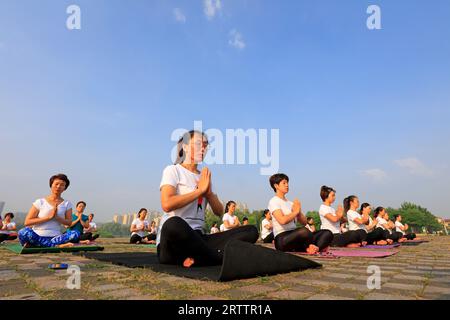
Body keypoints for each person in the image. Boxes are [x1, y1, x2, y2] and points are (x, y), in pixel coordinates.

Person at [158, 130, 258, 267]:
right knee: (173, 223)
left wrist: (209, 193)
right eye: (198, 144)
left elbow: (219, 211)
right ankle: (215, 256)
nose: (203, 148)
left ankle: (201, 257)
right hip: (175, 239)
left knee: (251, 231)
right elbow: (167, 204)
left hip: (199, 238)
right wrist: (199, 191)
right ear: (185, 147)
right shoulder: (173, 170)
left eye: (205, 145)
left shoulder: (204, 177)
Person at [268, 174, 333, 254]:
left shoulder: (291, 203)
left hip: (296, 236)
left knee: (327, 233)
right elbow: (282, 220)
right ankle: (308, 247)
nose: (287, 185)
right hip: (283, 239)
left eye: (287, 183)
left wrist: (298, 212)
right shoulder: (274, 201)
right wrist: (295, 211)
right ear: (276, 186)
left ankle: (315, 248)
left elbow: (304, 222)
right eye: (284, 183)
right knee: (304, 232)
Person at [18, 174, 80, 248]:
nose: (58, 187)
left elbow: (69, 223)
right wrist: (48, 217)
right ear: (51, 185)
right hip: (36, 236)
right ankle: (55, 246)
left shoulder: (67, 204)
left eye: (62, 185)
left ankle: (40, 245)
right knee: (23, 232)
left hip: (56, 238)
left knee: (76, 233)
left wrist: (57, 217)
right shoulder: (40, 202)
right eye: (56, 184)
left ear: (65, 188)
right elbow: (27, 222)